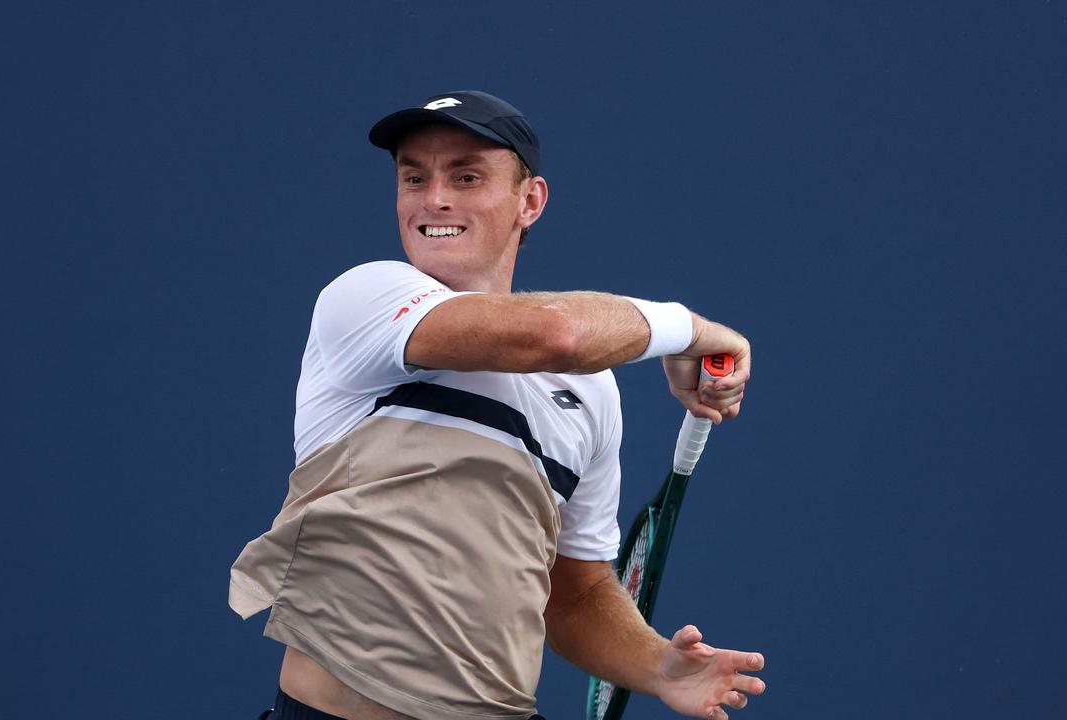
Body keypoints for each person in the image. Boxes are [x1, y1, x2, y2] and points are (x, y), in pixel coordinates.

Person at [229, 91, 765, 720]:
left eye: (466, 177)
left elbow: (575, 595)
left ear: (529, 202)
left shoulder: (591, 392)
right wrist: (692, 331)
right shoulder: (364, 297)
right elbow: (558, 334)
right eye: (414, 178)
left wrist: (656, 665)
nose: (435, 199)